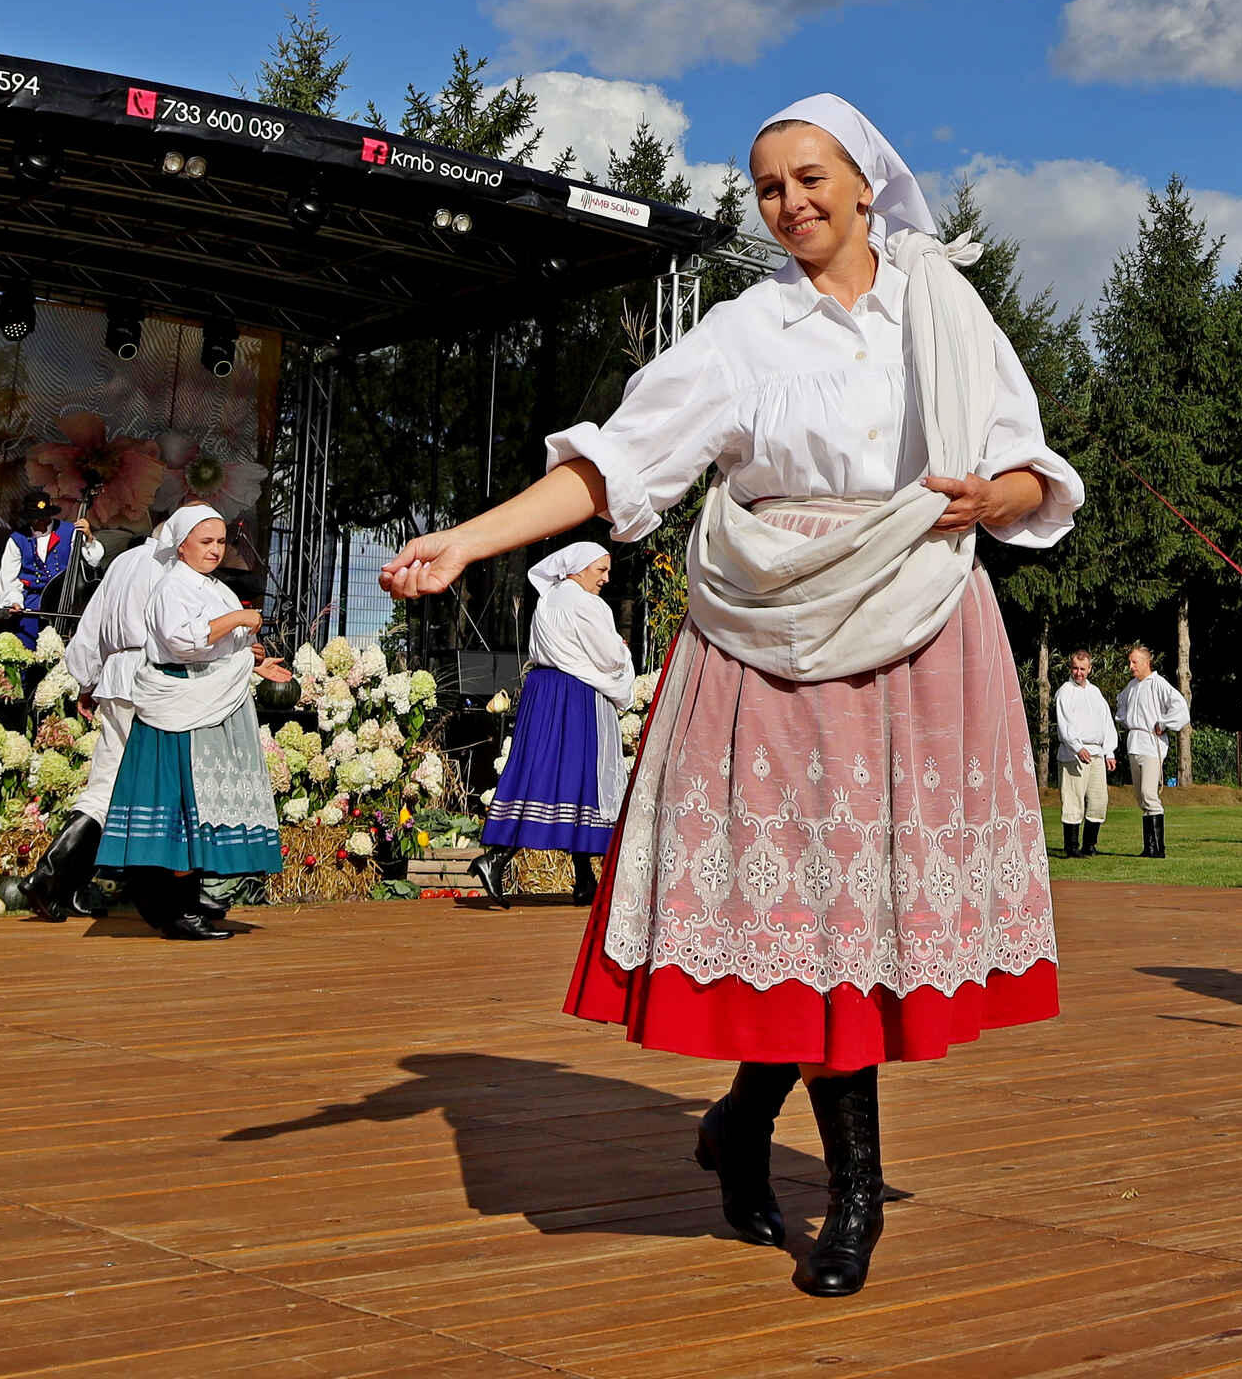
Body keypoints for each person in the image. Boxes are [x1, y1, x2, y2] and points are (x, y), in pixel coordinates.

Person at [378, 94, 1078, 1301]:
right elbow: (617, 464)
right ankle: (854, 1192)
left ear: (866, 181)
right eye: (767, 186)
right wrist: (469, 538)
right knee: (818, 913)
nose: (789, 202)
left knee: (858, 919)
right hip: (772, 634)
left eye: (810, 176)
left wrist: (997, 498)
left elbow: (1027, 465)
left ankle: (744, 1120)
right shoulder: (746, 331)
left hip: (918, 619)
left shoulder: (946, 310)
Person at [102, 506, 292, 941]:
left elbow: (220, 645)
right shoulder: (172, 585)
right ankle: (176, 908)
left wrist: (252, 660)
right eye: (206, 542)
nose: (215, 550)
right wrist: (240, 618)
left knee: (200, 801)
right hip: (182, 705)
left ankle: (186, 901)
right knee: (183, 802)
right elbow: (183, 640)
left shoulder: (214, 587)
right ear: (181, 544)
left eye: (221, 542)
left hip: (210, 701)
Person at [21, 521, 173, 918]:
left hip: (117, 676)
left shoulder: (123, 561)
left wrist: (88, 681)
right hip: (153, 679)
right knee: (163, 786)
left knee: (105, 786)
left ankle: (58, 881)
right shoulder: (171, 567)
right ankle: (157, 895)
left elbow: (90, 627)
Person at [473, 543, 634, 905]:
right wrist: (622, 647)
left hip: (542, 691)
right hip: (575, 695)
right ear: (578, 568)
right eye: (601, 570)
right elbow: (609, 656)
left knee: (539, 772)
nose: (606, 579)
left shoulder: (548, 599)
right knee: (579, 778)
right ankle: (498, 859)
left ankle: (583, 878)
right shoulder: (588, 604)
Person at [0, 489, 101, 645]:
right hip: (32, 602)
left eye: (44, 517)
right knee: (26, 646)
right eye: (35, 518)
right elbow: (9, 576)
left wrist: (89, 537)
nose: (40, 522)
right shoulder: (17, 539)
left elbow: (93, 561)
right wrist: (14, 601)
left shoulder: (70, 531)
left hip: (66, 601)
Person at [1115, 642, 1192, 859]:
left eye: (1134, 662)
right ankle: (1149, 847)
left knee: (1149, 793)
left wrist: (1164, 723)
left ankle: (1159, 848)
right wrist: (1127, 721)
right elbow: (1121, 708)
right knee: (1140, 796)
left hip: (1151, 744)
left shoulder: (1159, 684)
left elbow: (1180, 708)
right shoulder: (1131, 687)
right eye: (1130, 662)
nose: (1131, 666)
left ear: (1146, 663)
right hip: (1135, 743)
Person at [1051, 649, 1117, 858]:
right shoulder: (1065, 692)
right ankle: (1071, 847)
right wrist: (1077, 747)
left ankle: (1090, 845)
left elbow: (1107, 722)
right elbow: (1065, 725)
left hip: (1096, 752)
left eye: (1082, 669)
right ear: (1070, 668)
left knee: (1099, 800)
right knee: (1073, 799)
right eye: (1075, 668)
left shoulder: (1095, 692)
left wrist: (1109, 752)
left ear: (1089, 669)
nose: (1078, 673)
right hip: (1074, 753)